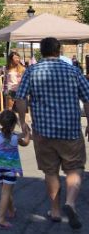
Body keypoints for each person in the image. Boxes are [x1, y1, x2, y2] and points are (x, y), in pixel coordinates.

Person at [15, 37, 89, 229]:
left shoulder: (32, 71)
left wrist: (23, 122)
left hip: (43, 130)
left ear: (41, 51)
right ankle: (70, 202)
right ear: (59, 50)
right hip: (70, 130)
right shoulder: (74, 71)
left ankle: (55, 210)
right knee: (74, 167)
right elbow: (87, 99)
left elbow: (20, 99)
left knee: (50, 171)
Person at [0, 110, 30, 229]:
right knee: (6, 192)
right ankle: (1, 219)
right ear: (14, 124)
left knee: (6, 190)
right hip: (10, 170)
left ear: (0, 122)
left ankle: (11, 211)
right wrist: (28, 133)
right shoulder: (16, 138)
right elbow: (26, 143)